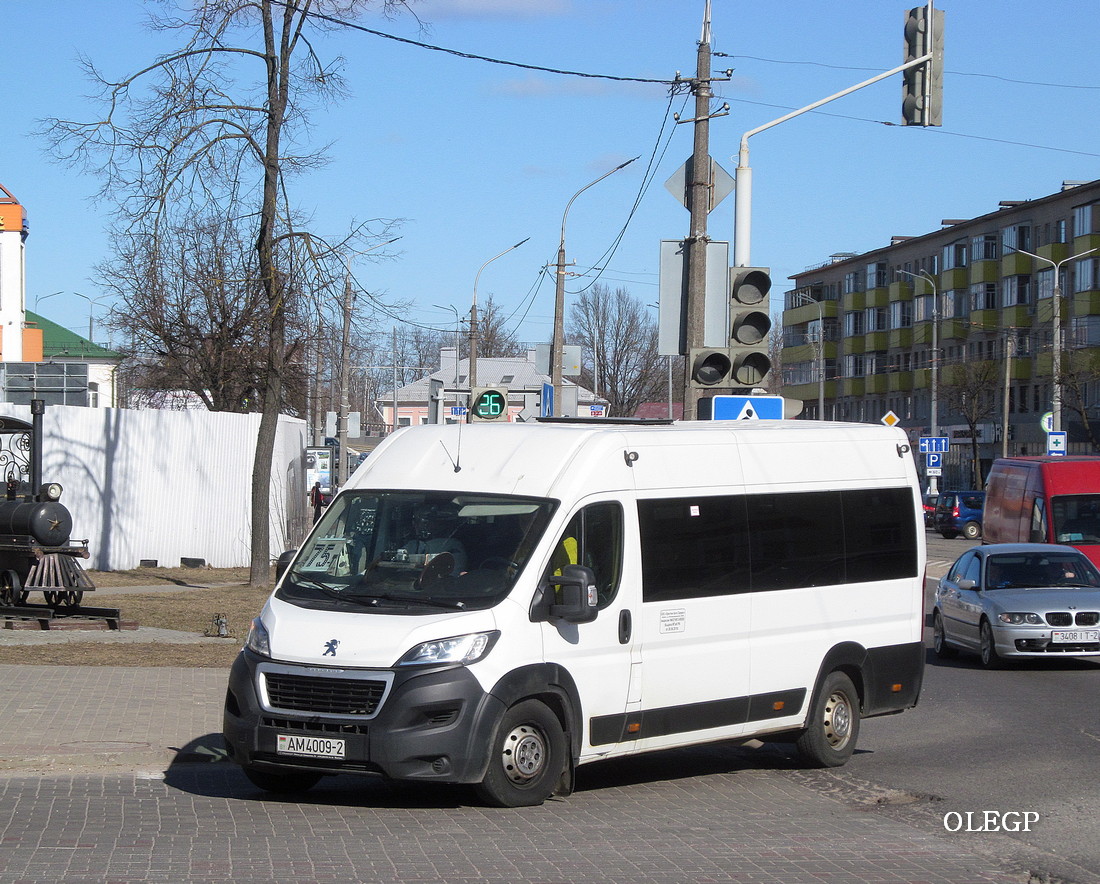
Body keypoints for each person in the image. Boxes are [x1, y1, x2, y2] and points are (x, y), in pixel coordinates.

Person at [400, 506, 467, 575]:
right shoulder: (411, 545)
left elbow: (453, 575)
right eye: (417, 521)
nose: (417, 525)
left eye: (426, 521)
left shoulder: (452, 546)